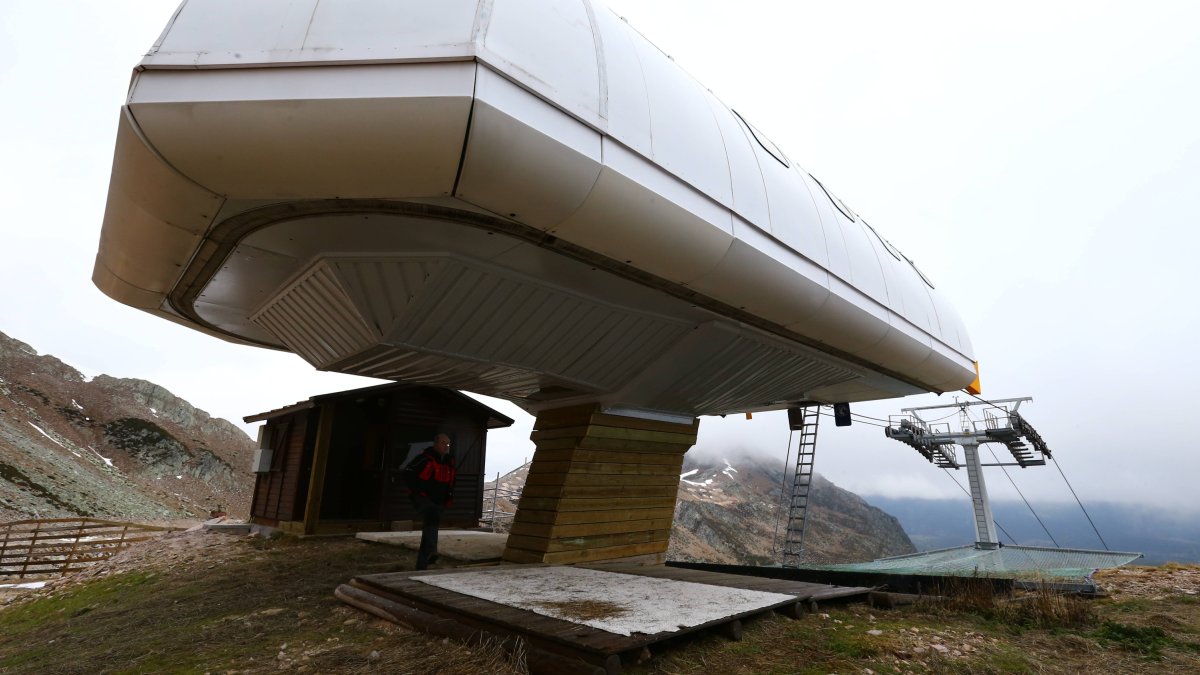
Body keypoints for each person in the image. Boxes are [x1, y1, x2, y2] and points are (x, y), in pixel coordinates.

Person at [401, 433, 455, 570]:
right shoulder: (424, 458)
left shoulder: (449, 461)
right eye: (443, 443)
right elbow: (407, 473)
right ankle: (431, 551)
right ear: (436, 444)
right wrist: (420, 491)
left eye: (448, 444)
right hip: (423, 499)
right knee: (432, 517)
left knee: (431, 527)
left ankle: (422, 566)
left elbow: (451, 482)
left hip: (439, 500)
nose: (446, 446)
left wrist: (449, 497)